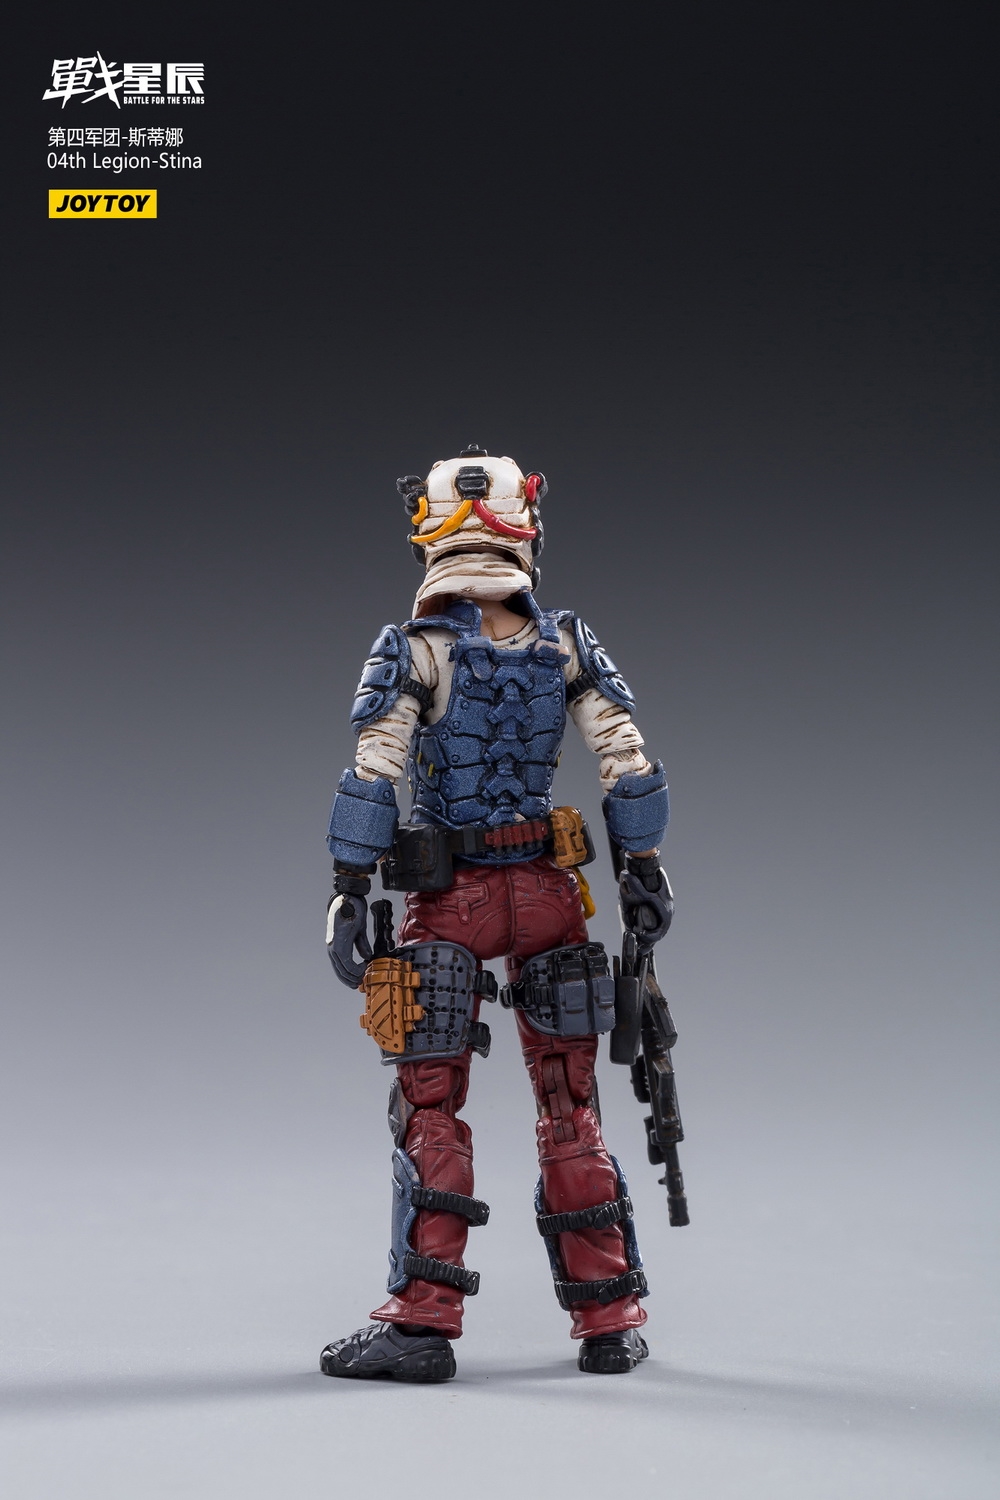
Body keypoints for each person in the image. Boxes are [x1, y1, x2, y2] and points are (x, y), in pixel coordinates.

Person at [321, 446, 672, 1382]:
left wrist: (349, 885)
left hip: (452, 899)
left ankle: (422, 1323)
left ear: (429, 536)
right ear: (527, 529)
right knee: (569, 1104)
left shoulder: (415, 650)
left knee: (430, 1105)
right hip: (550, 896)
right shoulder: (567, 644)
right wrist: (643, 870)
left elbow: (375, 769)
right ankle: (609, 1320)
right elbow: (628, 761)